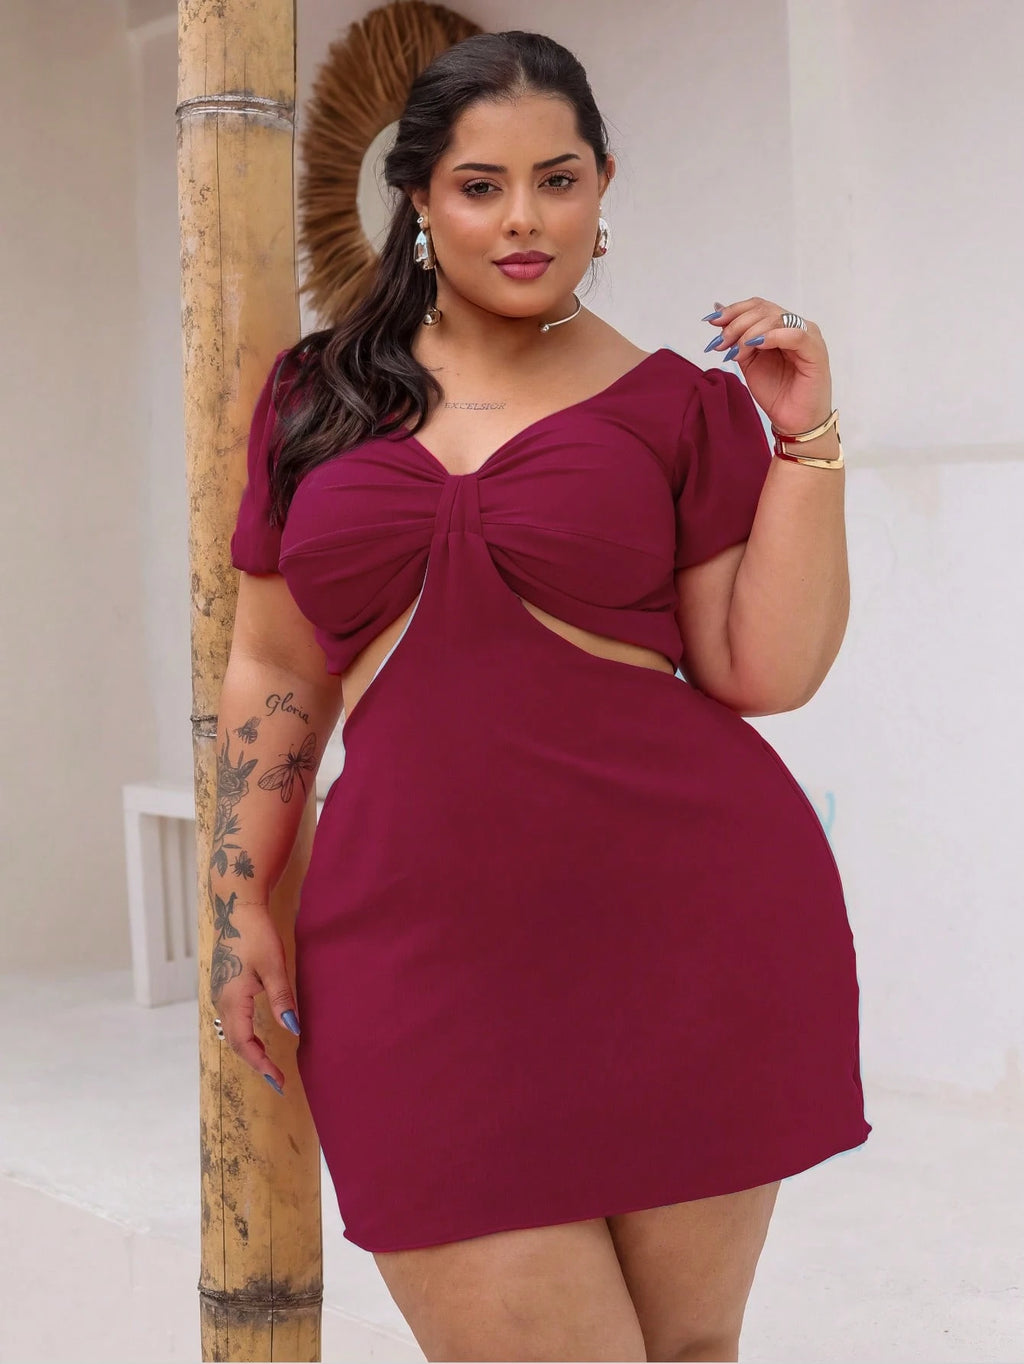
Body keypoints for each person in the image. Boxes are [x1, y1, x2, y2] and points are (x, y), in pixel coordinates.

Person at [212, 28, 871, 1364]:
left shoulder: (679, 404)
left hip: (687, 925)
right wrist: (238, 895)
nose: (524, 219)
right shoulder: (316, 399)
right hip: (413, 945)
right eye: (481, 186)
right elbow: (276, 666)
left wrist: (803, 437)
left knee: (688, 1352)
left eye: (557, 181)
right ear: (418, 197)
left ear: (602, 185)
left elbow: (765, 671)